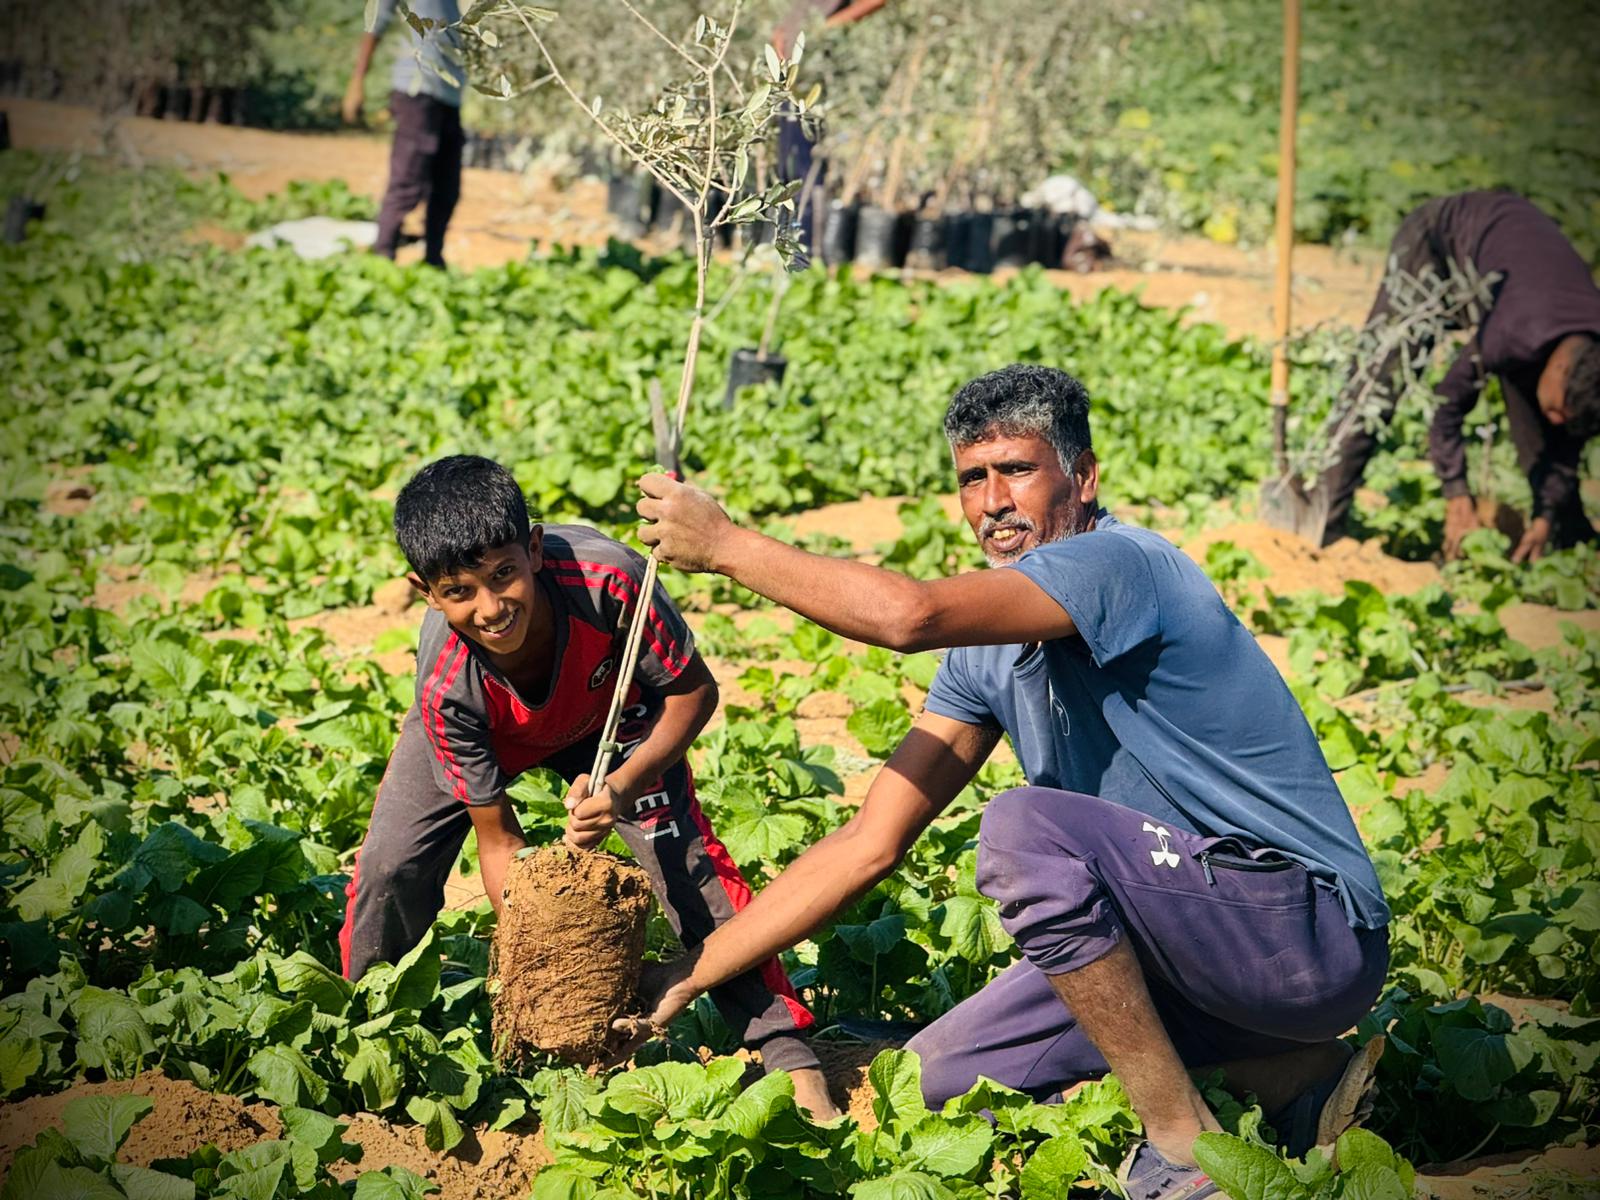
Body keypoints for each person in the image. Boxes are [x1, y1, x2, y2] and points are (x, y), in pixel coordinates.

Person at [628, 366, 1392, 1200]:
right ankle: (1292, 1078)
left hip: (1304, 933)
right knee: (930, 1082)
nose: (993, 501)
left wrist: (728, 547)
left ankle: (1181, 1145)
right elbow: (868, 842)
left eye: (1018, 470)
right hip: (1180, 949)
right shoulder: (986, 656)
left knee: (1027, 829)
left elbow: (909, 616)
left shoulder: (1120, 565)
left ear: (1083, 477)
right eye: (972, 478)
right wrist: (690, 973)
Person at [339, 455, 836, 1117]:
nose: (491, 608)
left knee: (685, 861)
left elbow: (693, 692)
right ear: (425, 592)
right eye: (459, 591)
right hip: (493, 729)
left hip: (610, 716)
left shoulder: (612, 581)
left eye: (504, 574)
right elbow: (498, 840)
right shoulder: (446, 685)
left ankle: (785, 1050)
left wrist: (623, 788)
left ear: (534, 550)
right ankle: (366, 1036)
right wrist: (543, 947)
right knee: (389, 866)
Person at [1316, 191, 1600, 560]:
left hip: (1515, 276)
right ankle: (1323, 521)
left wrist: (1547, 512)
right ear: (1560, 367)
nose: (1557, 418)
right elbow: (1447, 403)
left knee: (1544, 419)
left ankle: (1562, 534)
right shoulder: (1514, 334)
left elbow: (1567, 432)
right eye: (1558, 408)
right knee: (1382, 377)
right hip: (1437, 238)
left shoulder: (1585, 360)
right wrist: (1456, 492)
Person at [343, 0, 466, 268]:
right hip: (416, 91)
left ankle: (434, 262)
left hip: (450, 97)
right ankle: (382, 261)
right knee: (407, 182)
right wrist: (357, 81)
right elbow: (376, 20)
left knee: (447, 188)